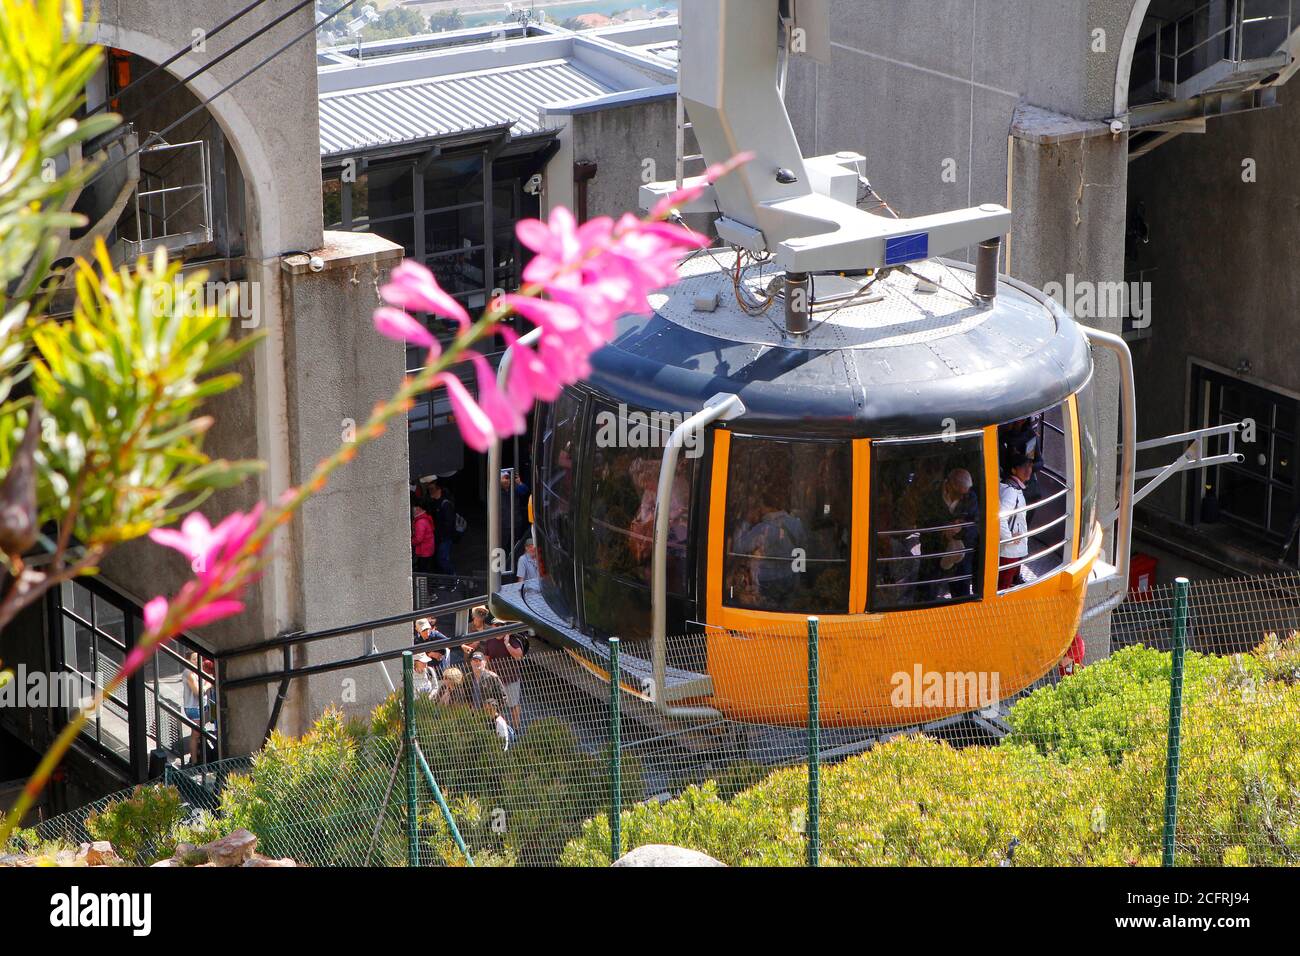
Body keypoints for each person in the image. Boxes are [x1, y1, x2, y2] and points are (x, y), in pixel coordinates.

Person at [922, 468, 979, 600]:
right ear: (950, 485)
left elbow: (975, 524)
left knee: (962, 591)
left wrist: (961, 529)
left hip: (961, 552)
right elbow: (922, 522)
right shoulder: (931, 495)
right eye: (959, 493)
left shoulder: (970, 497)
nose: (963, 497)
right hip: (934, 552)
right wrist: (942, 530)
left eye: (965, 493)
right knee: (928, 591)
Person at [478, 629, 527, 730]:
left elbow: (518, 656)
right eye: (496, 626)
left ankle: (516, 729)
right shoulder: (490, 640)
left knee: (513, 704)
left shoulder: (512, 640)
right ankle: (500, 728)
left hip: (511, 679)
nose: (498, 627)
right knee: (496, 705)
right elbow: (487, 658)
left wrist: (507, 643)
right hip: (495, 680)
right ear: (492, 626)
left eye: (500, 626)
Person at [999, 453, 1034, 590]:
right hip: (1009, 551)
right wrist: (1008, 539)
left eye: (1030, 466)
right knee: (1003, 587)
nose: (1028, 470)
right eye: (1024, 467)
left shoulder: (1010, 488)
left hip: (1012, 550)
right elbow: (1001, 518)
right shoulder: (1012, 492)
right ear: (1013, 470)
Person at [427, 480, 456, 574]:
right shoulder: (435, 503)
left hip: (444, 538)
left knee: (443, 559)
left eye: (432, 489)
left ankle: (453, 580)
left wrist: (441, 536)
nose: (430, 492)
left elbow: (448, 523)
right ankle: (448, 581)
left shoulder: (445, 504)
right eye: (429, 489)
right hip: (440, 537)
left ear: (438, 490)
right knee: (441, 559)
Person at [411, 501, 435, 574]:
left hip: (423, 551)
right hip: (427, 549)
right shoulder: (425, 519)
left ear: (419, 509)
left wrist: (409, 542)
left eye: (415, 507)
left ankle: (423, 585)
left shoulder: (420, 522)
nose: (413, 509)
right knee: (425, 569)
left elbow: (418, 539)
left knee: (423, 571)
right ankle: (426, 584)